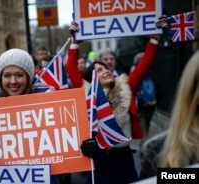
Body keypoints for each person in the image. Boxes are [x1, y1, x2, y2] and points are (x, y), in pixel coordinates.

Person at [66, 18, 167, 183]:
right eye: (99, 70)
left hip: (124, 160)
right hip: (98, 161)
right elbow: (71, 68)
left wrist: (154, 39)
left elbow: (143, 66)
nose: (105, 70)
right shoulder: (87, 93)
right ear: (91, 78)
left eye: (105, 68)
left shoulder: (125, 88)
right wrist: (74, 42)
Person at [0, 48, 59, 184]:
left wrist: (84, 148)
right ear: (0, 77)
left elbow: (64, 143)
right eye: (7, 75)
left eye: (19, 75)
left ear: (28, 76)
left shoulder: (46, 104)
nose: (13, 81)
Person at [140, 50, 199, 178]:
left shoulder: (152, 77)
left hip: (152, 109)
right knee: (143, 131)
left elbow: (159, 91)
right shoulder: (158, 152)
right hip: (142, 111)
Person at [130, 52, 159, 145]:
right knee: (145, 129)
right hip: (148, 108)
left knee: (144, 130)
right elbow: (160, 92)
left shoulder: (136, 76)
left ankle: (144, 149)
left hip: (142, 108)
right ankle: (145, 150)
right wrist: (154, 102)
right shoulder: (152, 76)